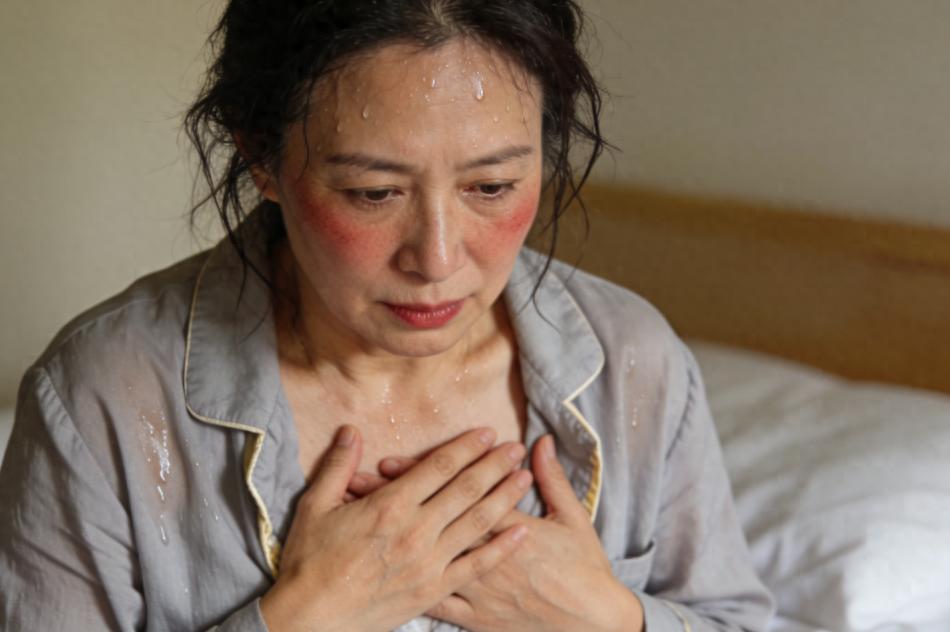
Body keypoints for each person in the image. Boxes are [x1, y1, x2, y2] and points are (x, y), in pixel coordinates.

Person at [0, 1, 774, 630]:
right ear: (261, 155)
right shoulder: (109, 395)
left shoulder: (631, 361)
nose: (435, 258)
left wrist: (608, 621)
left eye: (492, 187)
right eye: (373, 194)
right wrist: (302, 620)